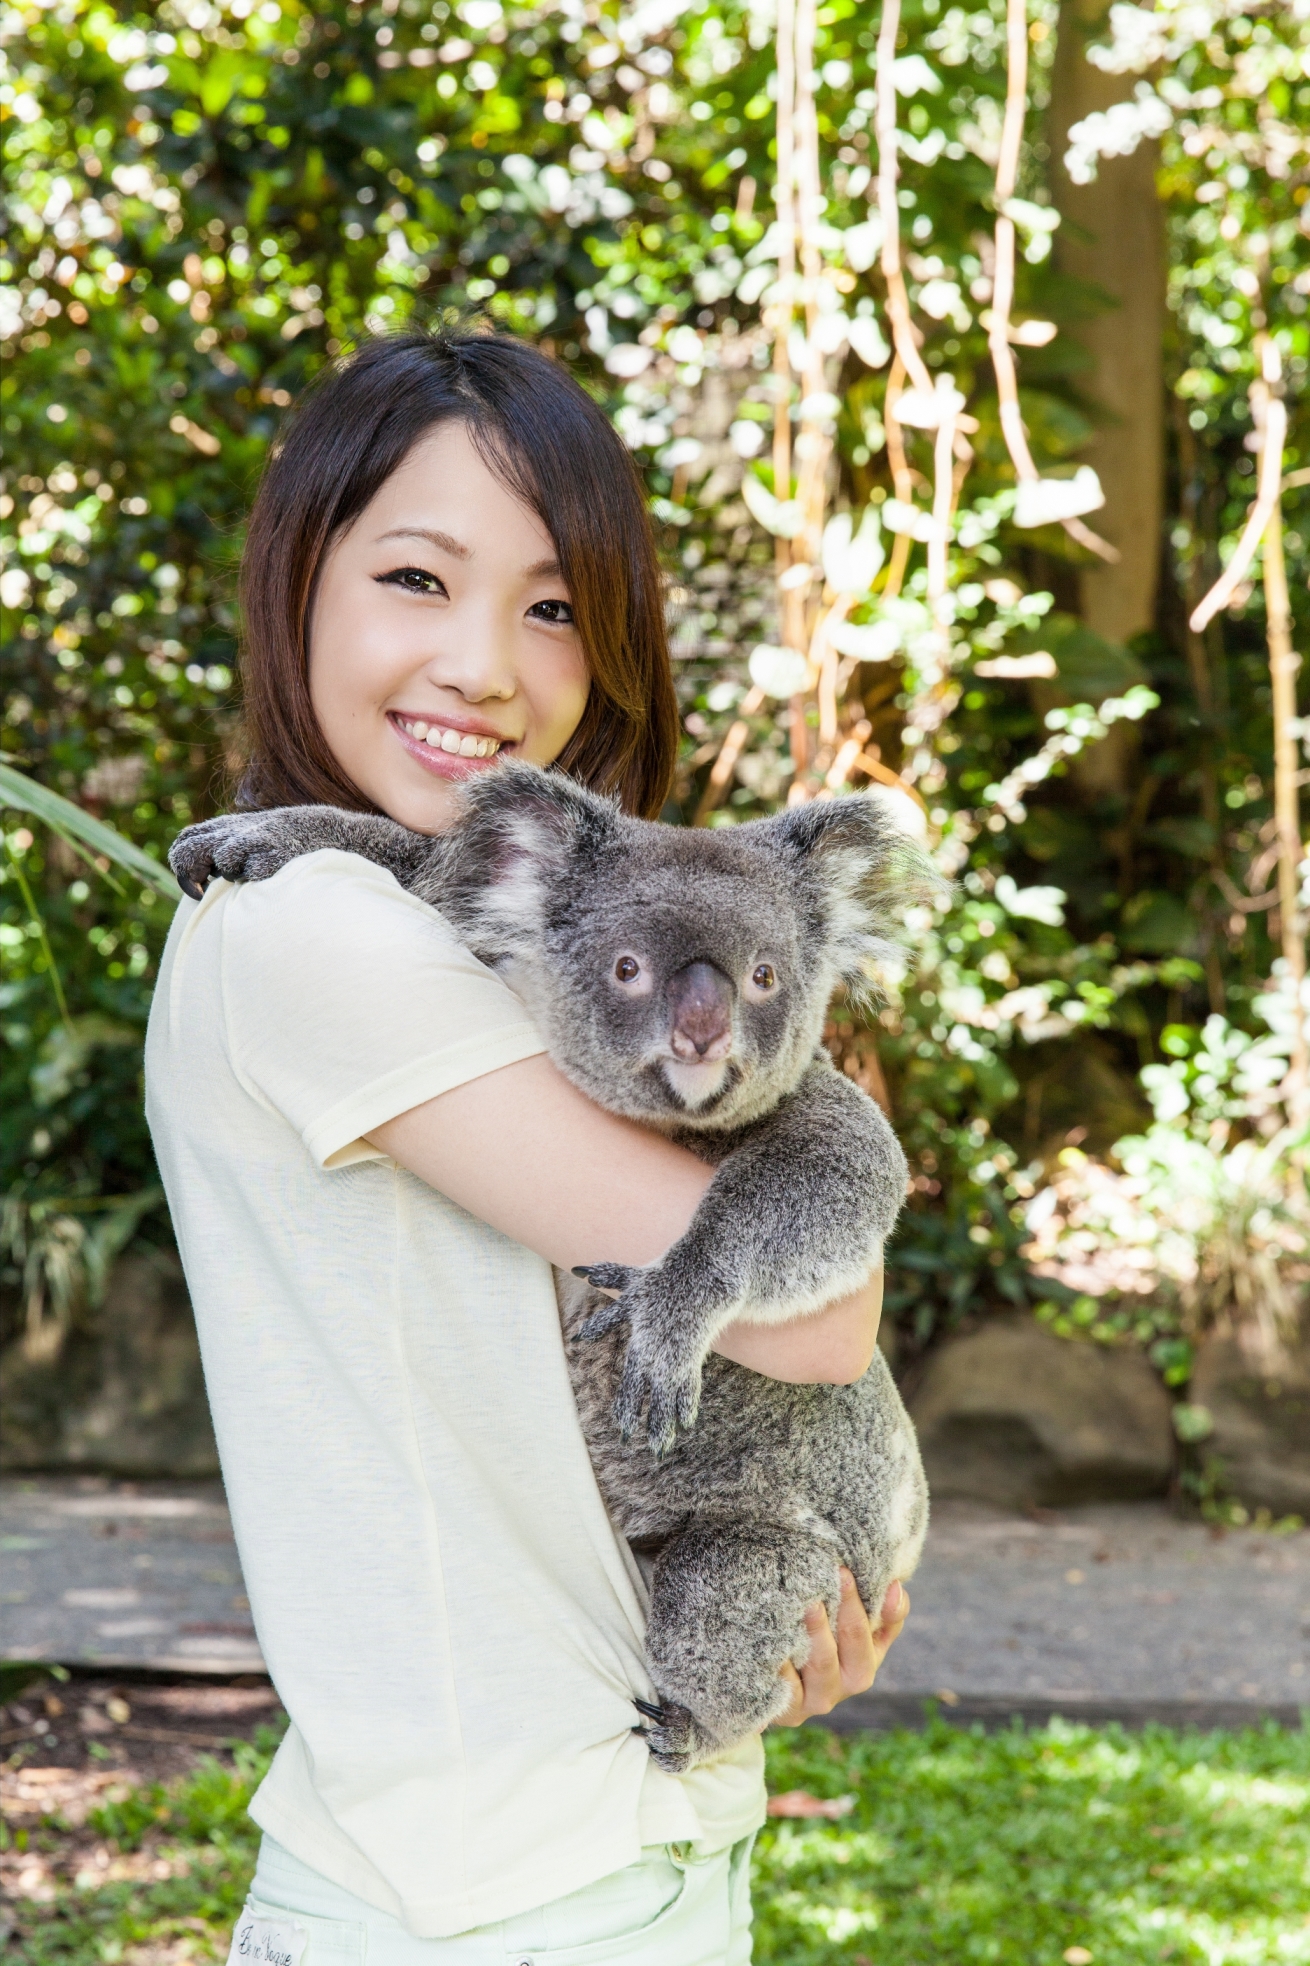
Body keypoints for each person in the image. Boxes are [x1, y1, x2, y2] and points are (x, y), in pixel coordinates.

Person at [145, 327, 908, 1961]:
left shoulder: (466, 938)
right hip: (480, 1896)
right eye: (416, 578)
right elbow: (815, 1318)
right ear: (297, 585)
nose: (486, 664)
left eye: (551, 604)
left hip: (616, 1835)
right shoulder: (304, 937)